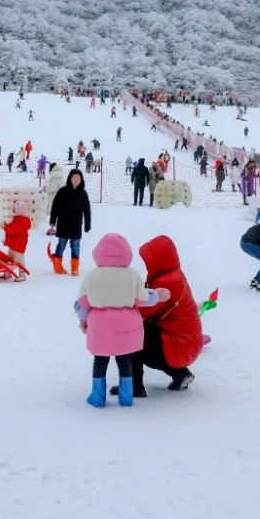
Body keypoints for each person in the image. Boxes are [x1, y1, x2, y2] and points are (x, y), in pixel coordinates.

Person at [74, 233, 170, 407]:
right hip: (127, 326)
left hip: (100, 326)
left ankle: (97, 395)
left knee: (100, 360)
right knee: (124, 360)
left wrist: (83, 320)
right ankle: (126, 396)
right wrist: (156, 295)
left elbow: (83, 302)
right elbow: (141, 299)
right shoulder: (131, 275)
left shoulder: (92, 276)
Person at [109, 235, 202, 397]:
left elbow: (142, 310)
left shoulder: (167, 282)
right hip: (185, 343)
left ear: (159, 260)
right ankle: (181, 374)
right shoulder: (172, 275)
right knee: (145, 334)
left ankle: (133, 385)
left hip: (179, 344)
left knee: (133, 333)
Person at [48, 168, 91, 276]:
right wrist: (53, 220)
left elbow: (87, 209)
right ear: (70, 179)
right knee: (61, 244)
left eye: (78, 178)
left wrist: (87, 224)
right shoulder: (63, 191)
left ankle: (75, 267)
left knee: (75, 245)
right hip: (63, 223)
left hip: (76, 224)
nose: (76, 180)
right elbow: (55, 206)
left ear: (81, 180)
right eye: (74, 178)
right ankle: (57, 264)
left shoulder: (83, 193)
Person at [3, 200, 31, 279]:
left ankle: (22, 275)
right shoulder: (16, 219)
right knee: (9, 258)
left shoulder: (23, 221)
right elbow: (12, 227)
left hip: (19, 245)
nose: (13, 210)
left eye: (14, 209)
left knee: (19, 260)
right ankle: (8, 273)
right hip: (13, 244)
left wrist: (6, 227)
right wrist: (7, 224)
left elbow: (14, 230)